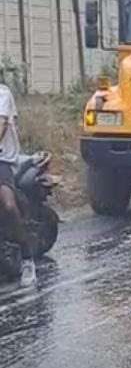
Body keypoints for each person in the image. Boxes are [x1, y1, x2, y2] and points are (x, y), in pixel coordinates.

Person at [0, 77, 35, 287]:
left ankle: (27, 258)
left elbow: (2, 123)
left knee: (8, 204)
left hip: (3, 159)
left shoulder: (3, 94)